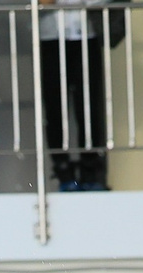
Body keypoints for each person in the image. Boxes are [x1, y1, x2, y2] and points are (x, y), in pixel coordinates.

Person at [38, 0, 122, 191]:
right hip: (51, 34)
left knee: (89, 105)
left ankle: (91, 170)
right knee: (55, 107)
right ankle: (63, 171)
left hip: (87, 33)